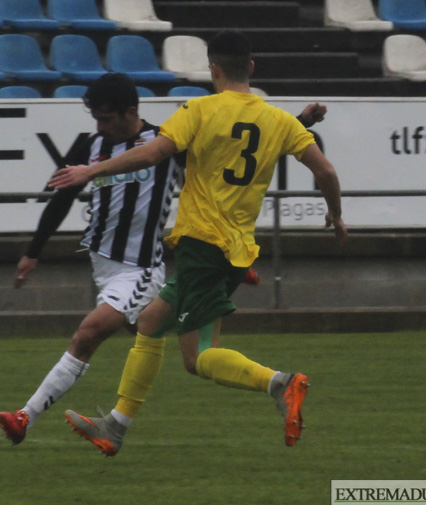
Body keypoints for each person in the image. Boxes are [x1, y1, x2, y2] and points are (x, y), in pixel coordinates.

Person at [50, 30, 347, 456]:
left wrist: (88, 172)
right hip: (232, 250)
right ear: (251, 67)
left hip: (204, 246)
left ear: (213, 69)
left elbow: (153, 154)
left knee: (199, 357)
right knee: (150, 323)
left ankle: (280, 384)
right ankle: (115, 426)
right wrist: (335, 214)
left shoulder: (199, 110)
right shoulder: (278, 120)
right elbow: (326, 172)